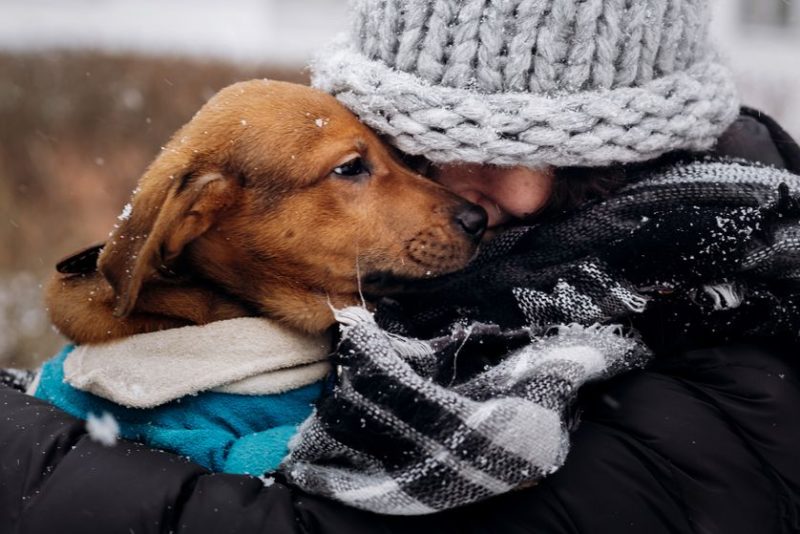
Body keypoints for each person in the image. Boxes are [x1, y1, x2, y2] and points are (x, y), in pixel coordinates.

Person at [3, 0, 800, 532]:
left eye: (583, 151)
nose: (514, 196)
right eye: (457, 138)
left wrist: (27, 456)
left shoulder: (733, 348)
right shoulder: (405, 290)